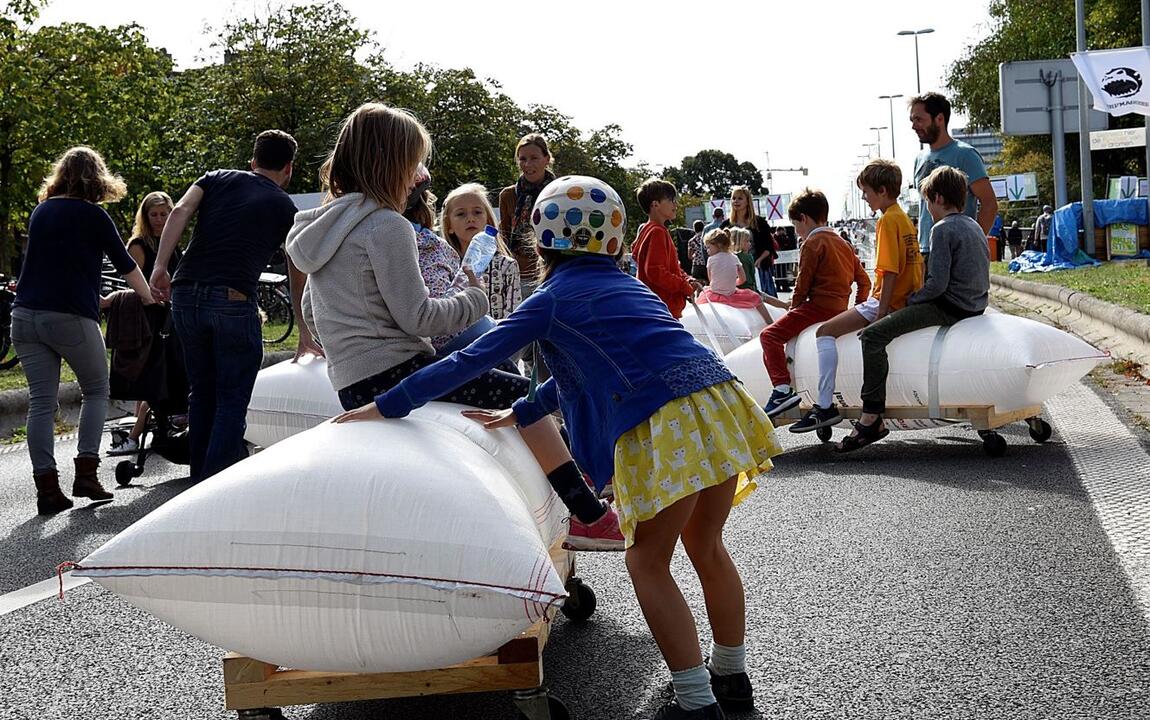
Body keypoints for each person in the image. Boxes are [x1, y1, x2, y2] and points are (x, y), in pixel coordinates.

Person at [332, 175, 782, 720]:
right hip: (716, 404)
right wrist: (523, 411)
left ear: (539, 240)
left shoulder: (550, 298)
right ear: (614, 241)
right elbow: (595, 367)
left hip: (665, 422)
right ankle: (731, 677)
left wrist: (390, 403)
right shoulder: (630, 286)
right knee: (706, 547)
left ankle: (694, 701)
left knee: (647, 562)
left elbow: (467, 361)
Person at [286, 103, 622, 550]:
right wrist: (474, 298)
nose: (419, 176)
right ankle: (588, 513)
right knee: (522, 397)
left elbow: (311, 309)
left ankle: (582, 489)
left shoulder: (321, 229)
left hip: (350, 382)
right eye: (413, 165)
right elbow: (418, 317)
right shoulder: (386, 226)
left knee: (501, 387)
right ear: (390, 165)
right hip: (397, 374)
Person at [150, 129, 318, 483]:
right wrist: (303, 329)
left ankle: (199, 477)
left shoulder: (215, 178)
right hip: (232, 298)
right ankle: (214, 484)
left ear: (253, 161)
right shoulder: (285, 206)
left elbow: (180, 210)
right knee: (231, 397)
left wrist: (161, 266)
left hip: (184, 294)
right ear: (288, 168)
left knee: (202, 392)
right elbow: (297, 265)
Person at [12, 146, 156, 514]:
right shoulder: (93, 216)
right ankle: (86, 474)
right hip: (70, 317)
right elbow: (127, 265)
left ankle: (47, 489)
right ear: (98, 178)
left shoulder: (41, 211)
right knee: (96, 390)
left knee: (41, 403)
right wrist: (150, 299)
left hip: (25, 317)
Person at [838, 166, 990, 452]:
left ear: (938, 199)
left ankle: (871, 416)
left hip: (948, 306)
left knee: (872, 337)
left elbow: (937, 285)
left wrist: (907, 303)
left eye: (928, 202)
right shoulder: (974, 226)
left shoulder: (942, 229)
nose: (928, 209)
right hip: (975, 305)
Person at [790, 160, 922, 432]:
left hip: (885, 301)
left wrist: (882, 314)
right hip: (905, 298)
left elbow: (891, 271)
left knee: (825, 332)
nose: (864, 197)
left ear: (882, 191)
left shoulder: (886, 220)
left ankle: (824, 406)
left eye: (867, 192)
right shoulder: (904, 219)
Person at [759, 189, 871, 418]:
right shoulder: (843, 243)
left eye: (796, 225)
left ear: (804, 219)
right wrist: (857, 308)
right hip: (840, 309)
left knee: (769, 336)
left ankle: (781, 389)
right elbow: (864, 281)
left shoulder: (812, 243)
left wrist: (794, 308)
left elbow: (803, 282)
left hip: (817, 307)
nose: (797, 232)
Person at [108, 191, 179, 456]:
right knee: (156, 378)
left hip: (171, 314)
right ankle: (136, 434)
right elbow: (134, 281)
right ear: (145, 216)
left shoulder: (171, 241)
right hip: (149, 319)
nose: (159, 220)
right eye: (154, 215)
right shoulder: (139, 244)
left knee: (155, 378)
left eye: (164, 214)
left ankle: (141, 433)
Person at [909, 93, 998, 265]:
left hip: (957, 252)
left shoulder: (965, 155)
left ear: (939, 119)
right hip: (926, 251)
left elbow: (989, 204)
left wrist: (972, 244)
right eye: (912, 120)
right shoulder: (919, 159)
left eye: (919, 120)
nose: (913, 126)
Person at [441, 183, 523, 321]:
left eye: (477, 212)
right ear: (449, 226)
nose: (471, 219)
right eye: (461, 214)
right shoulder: (444, 264)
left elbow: (513, 316)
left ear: (488, 220)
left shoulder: (506, 265)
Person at [632, 179, 703, 319]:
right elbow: (655, 271)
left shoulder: (647, 230)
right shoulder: (657, 232)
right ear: (655, 204)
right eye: (671, 200)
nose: (675, 204)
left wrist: (688, 280)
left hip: (654, 306)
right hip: (663, 308)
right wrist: (684, 287)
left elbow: (671, 268)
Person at [499, 133, 556, 296]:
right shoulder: (508, 195)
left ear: (547, 159)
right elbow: (503, 237)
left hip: (550, 274)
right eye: (522, 159)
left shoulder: (558, 194)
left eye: (534, 158)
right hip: (516, 275)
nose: (528, 164)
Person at [697, 228, 785, 324]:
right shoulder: (734, 258)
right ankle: (770, 322)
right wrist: (733, 283)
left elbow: (711, 280)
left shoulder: (711, 260)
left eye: (708, 247)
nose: (707, 251)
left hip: (715, 294)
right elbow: (743, 279)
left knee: (702, 294)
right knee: (757, 299)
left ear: (718, 245)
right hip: (730, 293)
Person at [724, 186, 776, 297]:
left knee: (764, 302)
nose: (736, 201)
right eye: (733, 198)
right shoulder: (726, 225)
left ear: (748, 201)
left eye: (740, 198)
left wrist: (759, 260)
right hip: (734, 272)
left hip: (757, 269)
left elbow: (769, 245)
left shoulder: (759, 222)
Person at [730, 227, 758, 291]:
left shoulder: (730, 256)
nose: (750, 244)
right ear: (739, 242)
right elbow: (751, 275)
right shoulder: (746, 257)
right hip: (747, 288)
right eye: (747, 241)